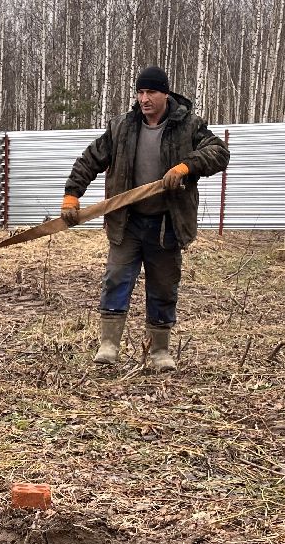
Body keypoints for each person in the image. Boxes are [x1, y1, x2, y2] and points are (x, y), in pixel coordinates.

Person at [61, 66, 230, 371]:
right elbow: (90, 159)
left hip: (166, 224)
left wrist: (186, 167)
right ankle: (109, 345)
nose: (144, 98)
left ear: (166, 93)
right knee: (115, 280)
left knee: (164, 287)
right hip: (127, 222)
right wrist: (72, 194)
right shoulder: (122, 127)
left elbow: (219, 152)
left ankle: (159, 351)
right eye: (140, 92)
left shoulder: (188, 126)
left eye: (151, 92)